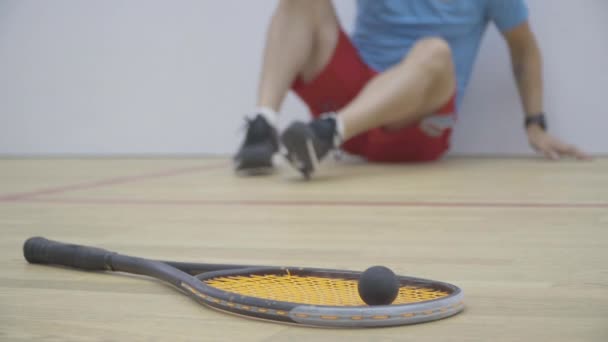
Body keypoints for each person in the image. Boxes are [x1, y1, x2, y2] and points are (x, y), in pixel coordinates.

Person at [234, 0, 590, 179]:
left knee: (435, 50)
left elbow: (523, 48)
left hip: (416, 121)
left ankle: (328, 133)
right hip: (356, 103)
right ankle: (262, 126)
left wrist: (536, 124)